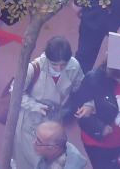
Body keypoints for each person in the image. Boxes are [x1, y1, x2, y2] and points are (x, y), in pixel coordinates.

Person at [12, 37, 87, 169]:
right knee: (29, 159)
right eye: (54, 64)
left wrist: (88, 104)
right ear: (47, 58)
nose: (58, 68)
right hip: (30, 120)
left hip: (54, 118)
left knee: (51, 157)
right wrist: (35, 106)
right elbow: (15, 92)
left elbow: (83, 87)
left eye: (63, 65)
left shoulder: (74, 66)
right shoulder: (33, 68)